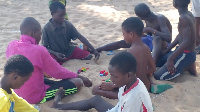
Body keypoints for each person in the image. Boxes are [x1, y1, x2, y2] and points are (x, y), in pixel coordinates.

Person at [6, 17, 92, 104]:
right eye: (40, 34)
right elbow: (58, 73)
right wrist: (79, 76)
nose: (40, 37)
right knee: (77, 82)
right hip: (32, 97)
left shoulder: (11, 45)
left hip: (16, 91)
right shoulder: (39, 50)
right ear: (33, 33)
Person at [92, 17, 172, 99]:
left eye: (123, 34)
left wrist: (113, 86)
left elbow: (127, 78)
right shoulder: (146, 48)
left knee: (95, 90)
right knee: (145, 75)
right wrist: (143, 72)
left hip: (134, 90)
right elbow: (153, 68)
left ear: (131, 34)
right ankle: (152, 84)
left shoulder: (129, 53)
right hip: (146, 85)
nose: (123, 37)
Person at [50, 51, 153, 112]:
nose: (111, 79)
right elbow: (119, 105)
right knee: (96, 100)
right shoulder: (129, 82)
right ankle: (58, 105)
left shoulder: (134, 98)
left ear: (129, 75)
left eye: (114, 76)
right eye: (111, 75)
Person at [96, 3, 172, 64]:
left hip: (162, 44)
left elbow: (168, 38)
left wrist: (150, 30)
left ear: (140, 17)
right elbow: (149, 35)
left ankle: (152, 64)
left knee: (157, 39)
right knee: (127, 40)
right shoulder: (147, 19)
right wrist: (143, 34)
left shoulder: (160, 18)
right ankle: (97, 49)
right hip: (151, 41)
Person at [154, 0, 197, 80]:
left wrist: (171, 58)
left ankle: (185, 67)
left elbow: (186, 41)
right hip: (182, 51)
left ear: (175, 4)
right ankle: (187, 64)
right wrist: (168, 50)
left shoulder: (183, 18)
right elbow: (180, 36)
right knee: (158, 61)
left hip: (185, 54)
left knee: (158, 77)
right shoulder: (188, 14)